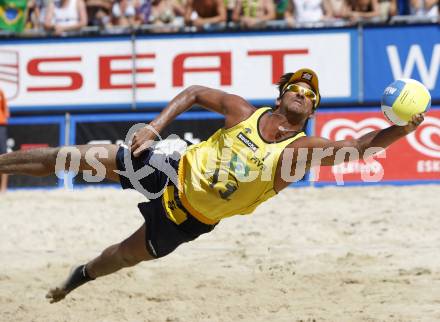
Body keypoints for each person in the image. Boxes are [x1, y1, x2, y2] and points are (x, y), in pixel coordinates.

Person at [0, 68, 424, 303]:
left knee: (124, 256)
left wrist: (402, 129)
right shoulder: (243, 111)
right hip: (170, 167)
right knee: (72, 158)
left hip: (189, 218)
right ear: (280, 96)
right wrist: (153, 126)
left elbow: (362, 145)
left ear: (312, 110)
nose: (301, 93)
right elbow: (196, 91)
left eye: (310, 94)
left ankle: (79, 277)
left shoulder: (302, 150)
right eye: (295, 86)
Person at [0, 88, 8, 192]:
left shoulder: (1, 91)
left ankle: (3, 188)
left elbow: (5, 110)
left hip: (0, 125)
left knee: (3, 158)